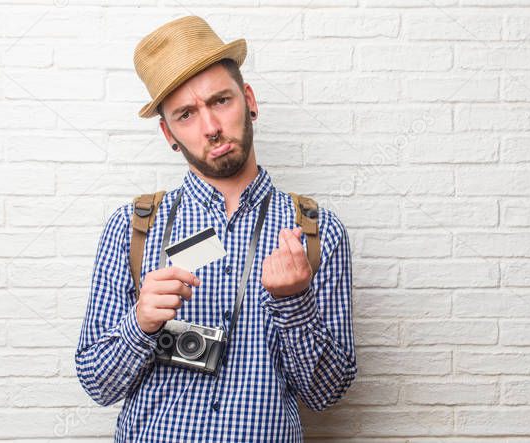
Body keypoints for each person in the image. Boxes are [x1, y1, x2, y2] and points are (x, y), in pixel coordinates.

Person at [74, 15, 357, 442]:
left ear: (249, 100)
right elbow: (98, 384)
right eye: (186, 114)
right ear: (168, 133)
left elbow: (326, 395)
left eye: (220, 101)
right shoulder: (132, 230)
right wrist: (140, 324)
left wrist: (295, 302)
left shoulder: (317, 233)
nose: (210, 128)